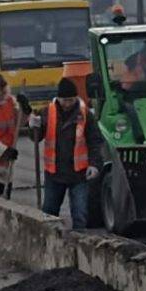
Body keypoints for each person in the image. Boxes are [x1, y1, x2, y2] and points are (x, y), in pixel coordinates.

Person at [23, 77, 106, 227]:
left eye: (71, 100)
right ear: (58, 98)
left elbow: (96, 141)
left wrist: (95, 165)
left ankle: (79, 243)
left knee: (80, 214)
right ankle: (47, 242)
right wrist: (33, 127)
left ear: (76, 98)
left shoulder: (85, 114)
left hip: (79, 174)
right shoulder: (47, 113)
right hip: (55, 173)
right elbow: (36, 138)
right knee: (49, 213)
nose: (67, 104)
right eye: (64, 100)